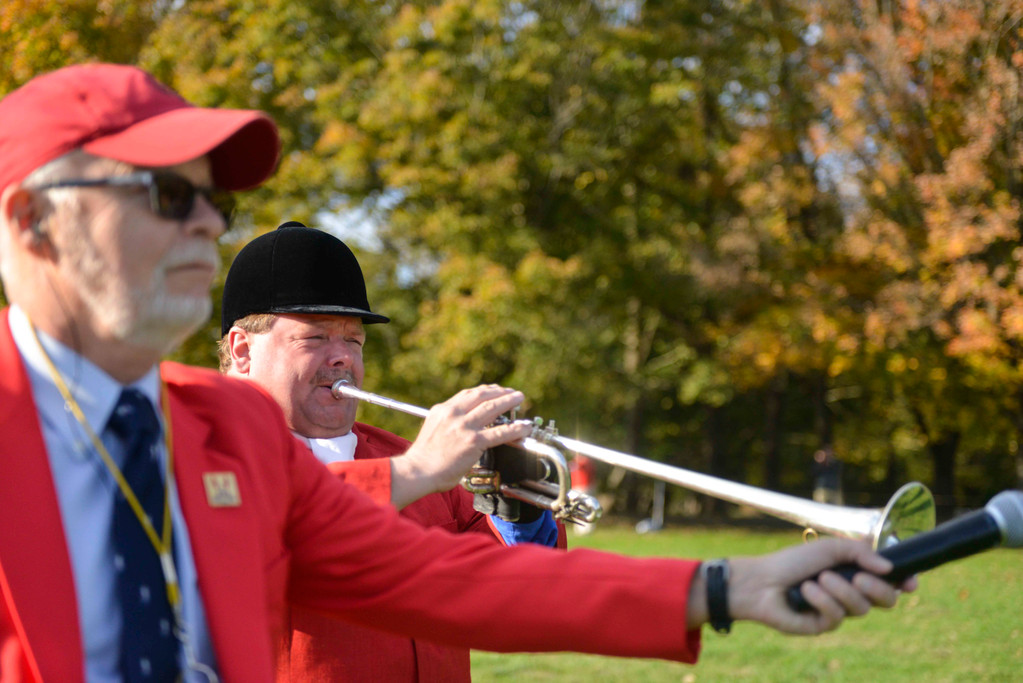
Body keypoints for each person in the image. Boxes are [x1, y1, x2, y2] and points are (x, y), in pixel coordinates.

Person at [0, 63, 914, 683]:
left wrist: (730, 584)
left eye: (211, 197)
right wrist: (415, 472)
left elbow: (453, 584)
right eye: (167, 195)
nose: (204, 222)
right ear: (33, 223)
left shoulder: (226, 434)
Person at [219, 221, 563, 681]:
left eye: (354, 340)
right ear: (243, 351)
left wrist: (521, 510)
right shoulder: (212, 459)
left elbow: (521, 598)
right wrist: (419, 468)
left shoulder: (409, 458)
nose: (343, 357)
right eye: (316, 337)